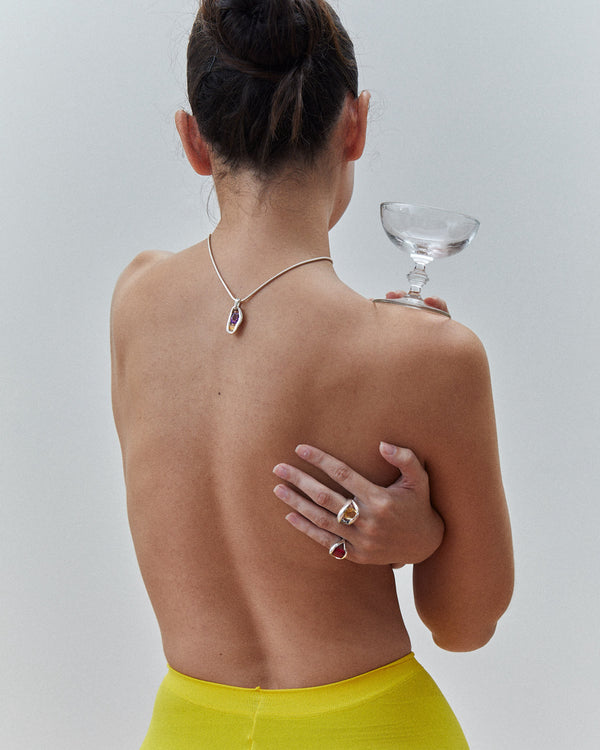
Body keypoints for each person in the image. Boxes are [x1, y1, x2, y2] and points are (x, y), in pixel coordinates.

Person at [110, 1, 514, 747]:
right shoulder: (431, 356)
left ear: (194, 141)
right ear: (354, 125)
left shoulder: (135, 299)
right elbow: (464, 627)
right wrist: (426, 539)